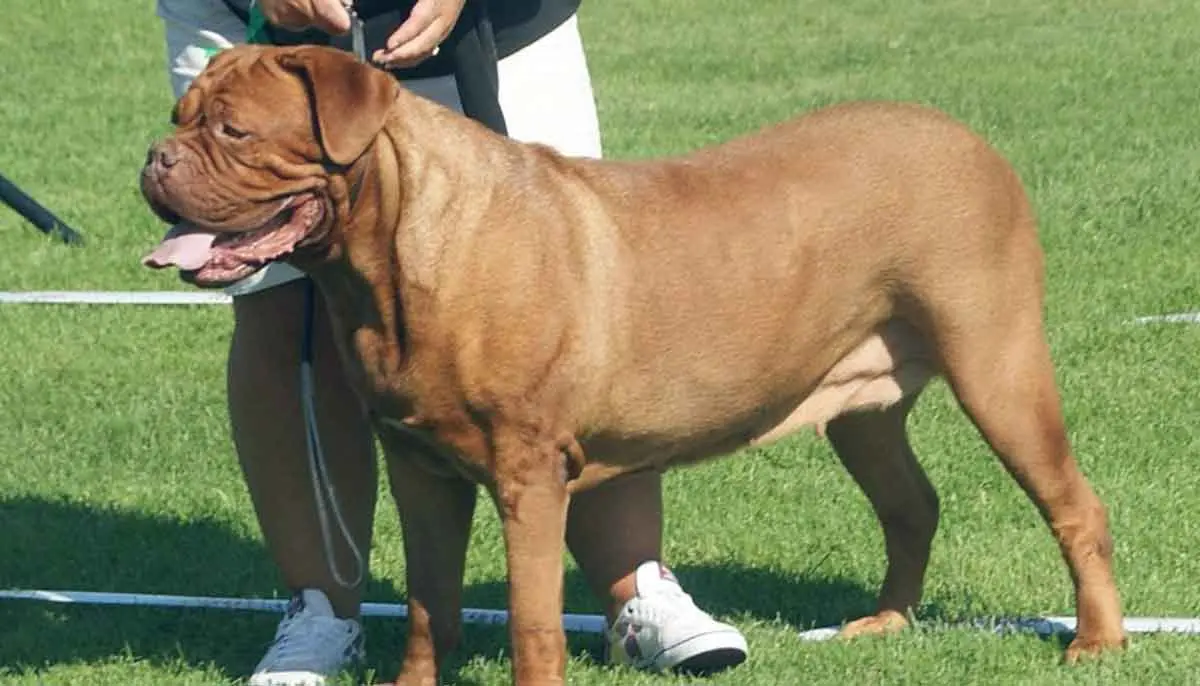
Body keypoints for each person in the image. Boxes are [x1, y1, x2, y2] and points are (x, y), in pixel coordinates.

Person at [154, 0, 749, 683]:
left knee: (559, 302)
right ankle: (323, 609)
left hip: (495, 21)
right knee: (283, 306)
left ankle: (634, 588)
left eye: (223, 133)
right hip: (246, 22)